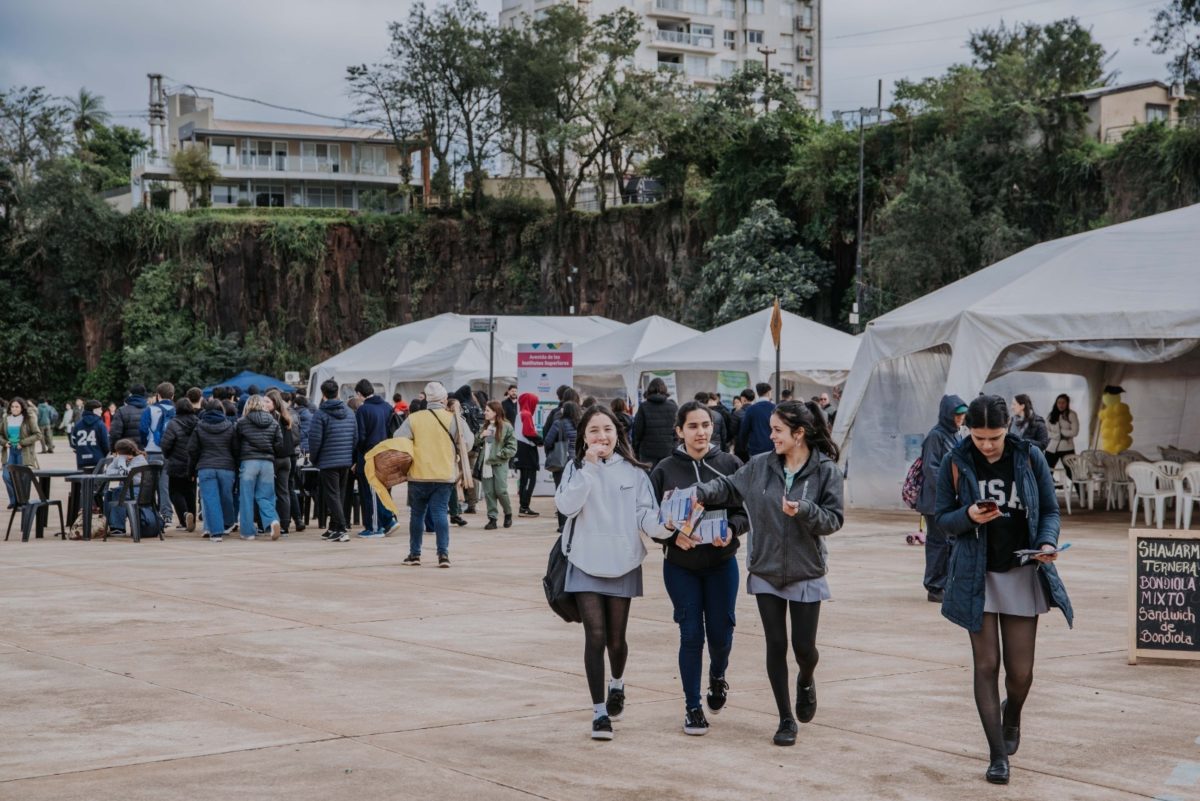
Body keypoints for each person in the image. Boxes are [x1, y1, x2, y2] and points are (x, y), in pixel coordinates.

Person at [934, 394, 1073, 786]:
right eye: (979, 438)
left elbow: (1049, 510)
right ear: (968, 432)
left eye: (993, 437)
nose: (987, 445)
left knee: (1021, 673)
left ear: (1006, 428)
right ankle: (997, 755)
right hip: (976, 574)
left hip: (1021, 569)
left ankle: (1012, 716)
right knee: (985, 665)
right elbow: (941, 518)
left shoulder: (1028, 457)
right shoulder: (955, 461)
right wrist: (968, 515)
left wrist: (1047, 543)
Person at [694, 400, 844, 747]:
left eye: (777, 430)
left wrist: (804, 510)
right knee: (776, 644)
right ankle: (785, 718)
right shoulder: (760, 465)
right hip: (766, 568)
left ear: (799, 433)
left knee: (804, 647)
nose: (770, 435)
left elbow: (834, 519)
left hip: (806, 570)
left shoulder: (825, 471)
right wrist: (701, 493)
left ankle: (806, 679)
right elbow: (730, 487)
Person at [555, 405, 670, 741]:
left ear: (618, 434)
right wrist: (588, 469)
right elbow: (567, 506)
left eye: (607, 429)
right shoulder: (576, 468)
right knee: (595, 635)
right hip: (585, 561)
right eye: (593, 431)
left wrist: (668, 527)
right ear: (584, 437)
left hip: (622, 562)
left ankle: (617, 682)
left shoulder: (633, 473)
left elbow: (646, 516)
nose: (601, 436)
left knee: (616, 640)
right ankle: (599, 711)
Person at [649, 401, 748, 737]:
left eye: (706, 425)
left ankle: (717, 677)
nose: (701, 432)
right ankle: (692, 707)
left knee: (721, 634)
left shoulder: (730, 464)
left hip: (722, 564)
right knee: (691, 634)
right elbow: (650, 519)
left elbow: (746, 511)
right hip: (681, 567)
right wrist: (671, 537)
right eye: (692, 426)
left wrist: (732, 530)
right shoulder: (664, 469)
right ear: (679, 431)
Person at [395, 381, 474, 568]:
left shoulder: (414, 418)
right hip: (443, 473)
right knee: (440, 513)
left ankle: (415, 554)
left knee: (417, 515)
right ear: (444, 399)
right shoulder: (453, 418)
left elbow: (398, 439)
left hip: (418, 474)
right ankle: (443, 554)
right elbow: (468, 444)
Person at [917, 395, 967, 602]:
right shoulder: (936, 436)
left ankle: (946, 583)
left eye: (962, 415)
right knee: (938, 543)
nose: (960, 419)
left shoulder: (956, 435)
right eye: (957, 415)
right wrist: (949, 491)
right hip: (935, 502)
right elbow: (931, 468)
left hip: (949, 501)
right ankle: (935, 587)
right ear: (948, 415)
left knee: (950, 542)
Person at [309, 380, 356, 542]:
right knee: (339, 495)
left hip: (328, 460)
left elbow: (315, 440)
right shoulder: (350, 412)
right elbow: (355, 437)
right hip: (345, 460)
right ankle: (334, 527)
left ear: (323, 394)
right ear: (338, 392)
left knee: (332, 496)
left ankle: (342, 528)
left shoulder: (321, 414)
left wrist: (314, 459)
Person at [354, 379, 399, 538]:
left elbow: (360, 437)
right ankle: (387, 520)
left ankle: (376, 527)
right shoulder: (387, 407)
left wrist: (358, 454)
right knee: (381, 490)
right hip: (385, 454)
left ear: (359, 394)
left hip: (369, 456)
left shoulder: (363, 410)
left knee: (370, 492)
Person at [234, 394, 283, 541]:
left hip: (248, 462)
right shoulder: (274, 422)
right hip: (267, 463)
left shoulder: (241, 422)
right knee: (266, 496)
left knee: (246, 497)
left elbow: (235, 445)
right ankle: (273, 520)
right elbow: (279, 445)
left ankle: (247, 532)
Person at [189, 398, 238, 540]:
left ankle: (216, 533)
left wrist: (192, 469)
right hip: (227, 468)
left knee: (210, 499)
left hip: (206, 467)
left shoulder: (199, 426)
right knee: (226, 498)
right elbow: (235, 449)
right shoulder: (230, 426)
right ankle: (228, 523)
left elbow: (192, 450)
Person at [139, 382, 177, 527]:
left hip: (152, 450)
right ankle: (167, 514)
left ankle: (150, 513)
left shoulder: (150, 410)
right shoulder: (176, 410)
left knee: (149, 484)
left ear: (157, 395)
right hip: (170, 452)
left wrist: (144, 444)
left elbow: (143, 429)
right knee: (165, 484)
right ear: (173, 395)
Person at [266, 389, 303, 535]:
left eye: (267, 401)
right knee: (285, 491)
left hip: (276, 458)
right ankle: (286, 524)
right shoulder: (288, 416)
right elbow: (296, 438)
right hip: (288, 457)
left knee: (272, 491)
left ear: (274, 402)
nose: (264, 404)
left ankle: (272, 522)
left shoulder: (272, 418)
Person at [160, 397, 199, 532]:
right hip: (193, 462)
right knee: (191, 492)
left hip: (176, 462)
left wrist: (168, 455)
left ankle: (184, 517)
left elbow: (166, 444)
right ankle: (192, 519)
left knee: (175, 492)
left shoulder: (173, 423)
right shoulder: (198, 422)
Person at [478, 400, 517, 530]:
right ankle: (492, 518)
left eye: (488, 410)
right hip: (486, 464)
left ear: (495, 412)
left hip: (499, 463)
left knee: (501, 491)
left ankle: (508, 513)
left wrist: (501, 454)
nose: (485, 412)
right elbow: (475, 443)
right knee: (489, 492)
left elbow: (512, 446)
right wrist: (481, 436)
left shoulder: (506, 426)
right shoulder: (484, 427)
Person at [544, 400, 581, 533]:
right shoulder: (581, 425)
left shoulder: (558, 424)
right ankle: (575, 522)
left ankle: (563, 524)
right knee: (575, 492)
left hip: (561, 462)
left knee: (561, 491)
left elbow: (548, 441)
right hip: (578, 462)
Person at [103, 439, 148, 535]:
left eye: (119, 454)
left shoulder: (139, 460)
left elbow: (125, 473)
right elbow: (108, 471)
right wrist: (120, 464)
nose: (118, 456)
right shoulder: (121, 459)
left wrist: (122, 460)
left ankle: (118, 527)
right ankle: (107, 525)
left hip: (138, 490)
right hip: (127, 489)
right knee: (108, 494)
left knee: (118, 493)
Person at [3, 398, 41, 508]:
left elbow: (38, 434)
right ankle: (14, 501)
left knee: (23, 477)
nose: (14, 408)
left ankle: (23, 502)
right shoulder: (6, 419)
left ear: (22, 408)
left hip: (23, 451)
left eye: (17, 406)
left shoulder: (28, 419)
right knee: (6, 476)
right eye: (12, 406)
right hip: (10, 451)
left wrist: (23, 443)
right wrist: (5, 442)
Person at [632, 377, 678, 468]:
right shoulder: (673, 407)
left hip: (647, 451)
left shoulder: (643, 407)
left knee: (648, 480)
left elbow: (638, 431)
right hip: (667, 450)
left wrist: (636, 449)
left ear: (649, 389)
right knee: (665, 478)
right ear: (665, 389)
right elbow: (676, 431)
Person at [454, 385, 485, 515]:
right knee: (471, 474)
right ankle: (472, 503)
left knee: (461, 474)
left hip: (464, 446)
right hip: (476, 445)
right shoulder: (477, 407)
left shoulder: (462, 407)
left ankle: (461, 502)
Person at [515, 392, 541, 518]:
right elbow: (529, 432)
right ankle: (524, 507)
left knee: (524, 480)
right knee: (530, 479)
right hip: (527, 450)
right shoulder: (527, 414)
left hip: (520, 450)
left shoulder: (520, 414)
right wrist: (541, 441)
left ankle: (523, 506)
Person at [736, 383, 776, 459]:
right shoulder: (775, 408)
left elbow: (744, 431)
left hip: (755, 449)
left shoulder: (751, 409)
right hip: (773, 448)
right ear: (768, 392)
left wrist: (743, 448)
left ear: (758, 393)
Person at [69, 399, 110, 473]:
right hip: (98, 460)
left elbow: (73, 442)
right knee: (98, 483)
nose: (101, 411)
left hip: (82, 460)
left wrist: (80, 450)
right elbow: (105, 443)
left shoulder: (78, 425)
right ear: (94, 410)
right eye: (100, 409)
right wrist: (105, 454)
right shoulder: (100, 424)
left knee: (83, 483)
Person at [1045, 394, 1079, 471]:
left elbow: (1075, 432)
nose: (1061, 405)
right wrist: (1056, 435)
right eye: (1059, 402)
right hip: (1052, 448)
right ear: (1056, 403)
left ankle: (1077, 483)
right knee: (1046, 470)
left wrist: (1062, 432)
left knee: (1072, 472)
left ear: (1067, 403)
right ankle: (1050, 483)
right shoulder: (1051, 415)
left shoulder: (1071, 414)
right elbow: (1046, 431)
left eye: (1063, 402)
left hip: (1067, 447)